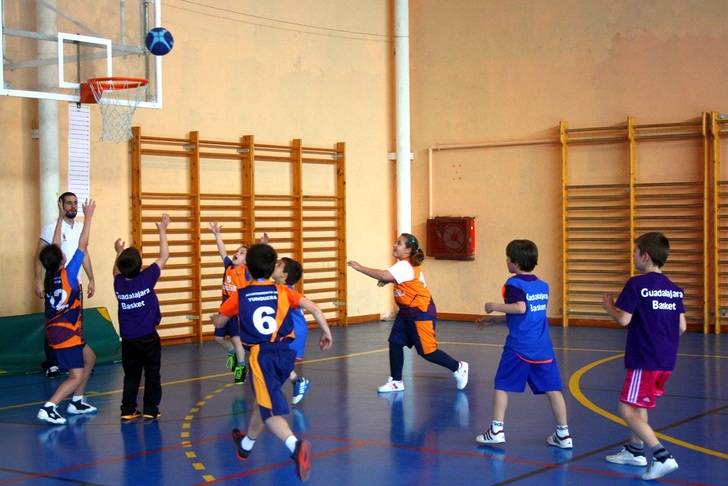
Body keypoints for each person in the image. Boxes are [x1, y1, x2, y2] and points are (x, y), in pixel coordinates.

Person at [212, 243, 333, 482]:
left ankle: (295, 446)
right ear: (271, 270)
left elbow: (219, 323)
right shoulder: (283, 291)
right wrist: (327, 332)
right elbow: (314, 307)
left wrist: (214, 318)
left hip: (262, 356)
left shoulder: (241, 295)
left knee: (268, 411)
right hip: (285, 354)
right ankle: (246, 445)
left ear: (247, 268)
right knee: (262, 400)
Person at [602, 232, 685, 481]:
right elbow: (682, 326)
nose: (633, 257)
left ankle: (661, 456)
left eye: (635, 252)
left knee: (626, 409)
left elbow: (624, 319)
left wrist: (609, 307)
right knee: (640, 405)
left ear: (645, 256)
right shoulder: (674, 289)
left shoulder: (637, 284)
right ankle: (635, 450)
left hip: (644, 359)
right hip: (666, 361)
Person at [475, 239, 572, 450]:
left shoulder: (513, 284)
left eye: (508, 258)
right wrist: (496, 320)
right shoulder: (543, 286)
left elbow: (519, 308)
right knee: (554, 389)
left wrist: (494, 307)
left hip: (519, 347)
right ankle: (563, 434)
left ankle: (496, 430)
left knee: (502, 384)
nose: (507, 261)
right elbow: (528, 314)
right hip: (543, 348)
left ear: (515, 262)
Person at [348, 233, 469, 393]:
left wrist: (360, 267)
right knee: (395, 343)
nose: (394, 245)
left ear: (408, 250)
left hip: (420, 312)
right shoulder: (403, 265)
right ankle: (396, 381)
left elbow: (384, 274)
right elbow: (394, 278)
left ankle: (459, 367)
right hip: (406, 312)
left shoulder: (405, 265)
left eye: (399, 243)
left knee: (428, 352)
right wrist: (389, 280)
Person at [36, 199, 97, 425]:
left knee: (90, 358)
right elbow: (83, 244)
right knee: (76, 375)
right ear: (62, 259)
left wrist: (61, 218)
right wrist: (88, 216)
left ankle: (77, 401)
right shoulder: (69, 275)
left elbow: (53, 246)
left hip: (62, 330)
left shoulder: (50, 274)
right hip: (66, 334)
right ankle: (49, 407)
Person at [113, 214, 171, 422]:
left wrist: (119, 252)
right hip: (147, 337)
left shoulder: (118, 283)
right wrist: (162, 229)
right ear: (140, 266)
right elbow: (164, 256)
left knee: (131, 374)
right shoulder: (146, 279)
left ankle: (127, 409)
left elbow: (115, 271)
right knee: (152, 373)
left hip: (128, 340)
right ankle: (150, 409)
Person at [209, 222, 249, 384]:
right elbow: (222, 251)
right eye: (237, 251)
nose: (236, 254)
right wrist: (216, 234)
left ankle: (241, 367)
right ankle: (232, 352)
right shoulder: (229, 267)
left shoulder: (246, 272)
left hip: (237, 312)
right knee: (218, 338)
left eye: (241, 253)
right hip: (225, 310)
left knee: (236, 339)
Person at [271, 257, 310, 404]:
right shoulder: (276, 287)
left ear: (284, 276)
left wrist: (326, 330)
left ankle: (275, 393)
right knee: (276, 361)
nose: (274, 265)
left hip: (294, 332)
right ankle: (296, 382)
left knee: (277, 361)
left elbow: (313, 307)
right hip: (285, 332)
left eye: (278, 265)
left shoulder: (287, 291)